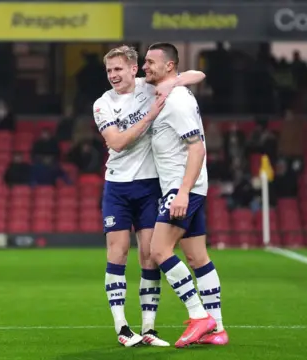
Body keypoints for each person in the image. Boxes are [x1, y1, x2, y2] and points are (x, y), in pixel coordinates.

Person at [94, 45, 206, 347]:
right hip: (117, 186)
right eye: (109, 71)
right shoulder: (102, 103)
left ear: (134, 69)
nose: (113, 75)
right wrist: (150, 116)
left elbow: (198, 74)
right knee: (116, 255)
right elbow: (117, 143)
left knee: (149, 256)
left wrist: (174, 81)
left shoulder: (150, 86)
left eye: (119, 69)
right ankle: (122, 327)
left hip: (149, 186)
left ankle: (149, 329)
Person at [143, 42, 227, 348]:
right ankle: (217, 327)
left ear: (168, 66)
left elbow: (197, 148)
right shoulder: (171, 93)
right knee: (196, 256)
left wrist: (182, 192)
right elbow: (196, 74)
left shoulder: (175, 101)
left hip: (182, 187)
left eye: (151, 62)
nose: (144, 66)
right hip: (189, 187)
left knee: (158, 250)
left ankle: (198, 316)